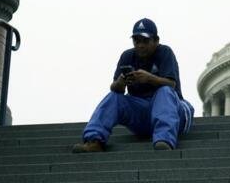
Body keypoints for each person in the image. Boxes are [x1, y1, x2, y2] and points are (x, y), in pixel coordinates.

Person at [72, 18, 194, 152]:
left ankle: (164, 140)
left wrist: (149, 78)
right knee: (114, 97)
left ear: (156, 40)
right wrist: (120, 83)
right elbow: (115, 89)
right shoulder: (127, 56)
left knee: (164, 92)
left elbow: (171, 84)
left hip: (173, 113)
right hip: (142, 114)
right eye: (136, 40)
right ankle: (94, 141)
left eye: (145, 41)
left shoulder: (164, 52)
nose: (140, 45)